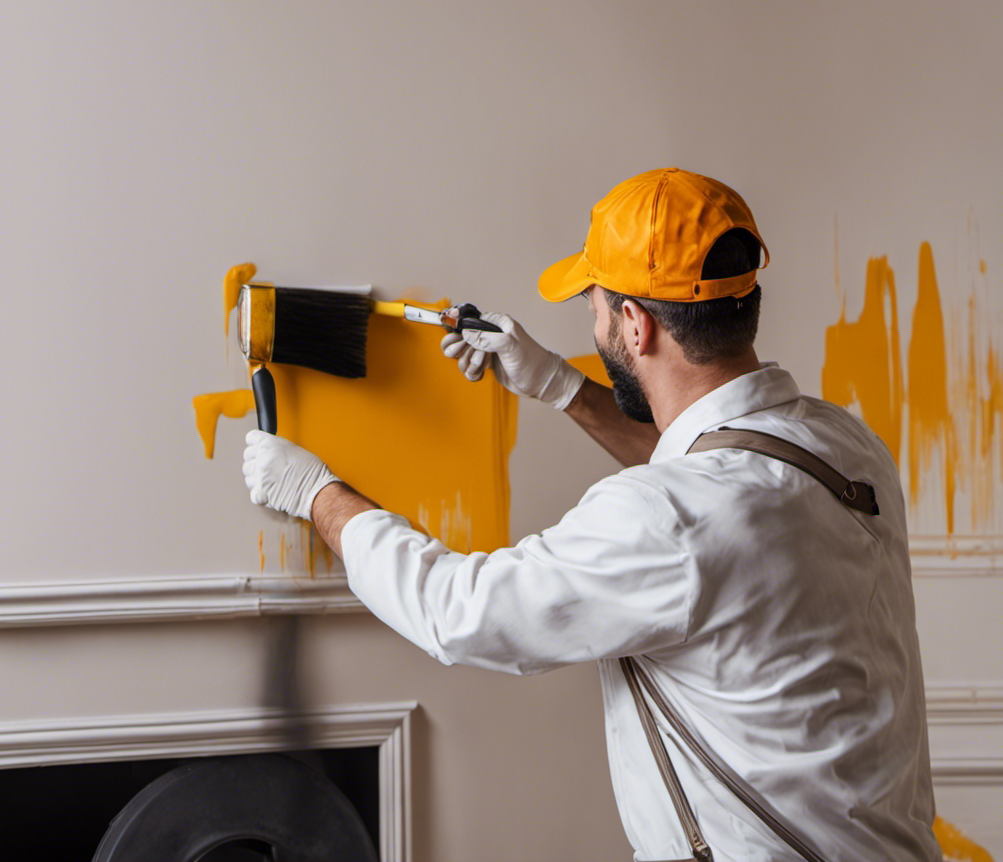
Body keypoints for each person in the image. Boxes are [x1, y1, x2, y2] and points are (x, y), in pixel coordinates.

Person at [242, 167, 941, 862]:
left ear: (634, 326)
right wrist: (559, 385)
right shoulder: (841, 443)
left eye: (596, 304)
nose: (591, 318)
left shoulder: (667, 519)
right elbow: (709, 475)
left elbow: (458, 611)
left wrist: (315, 495)